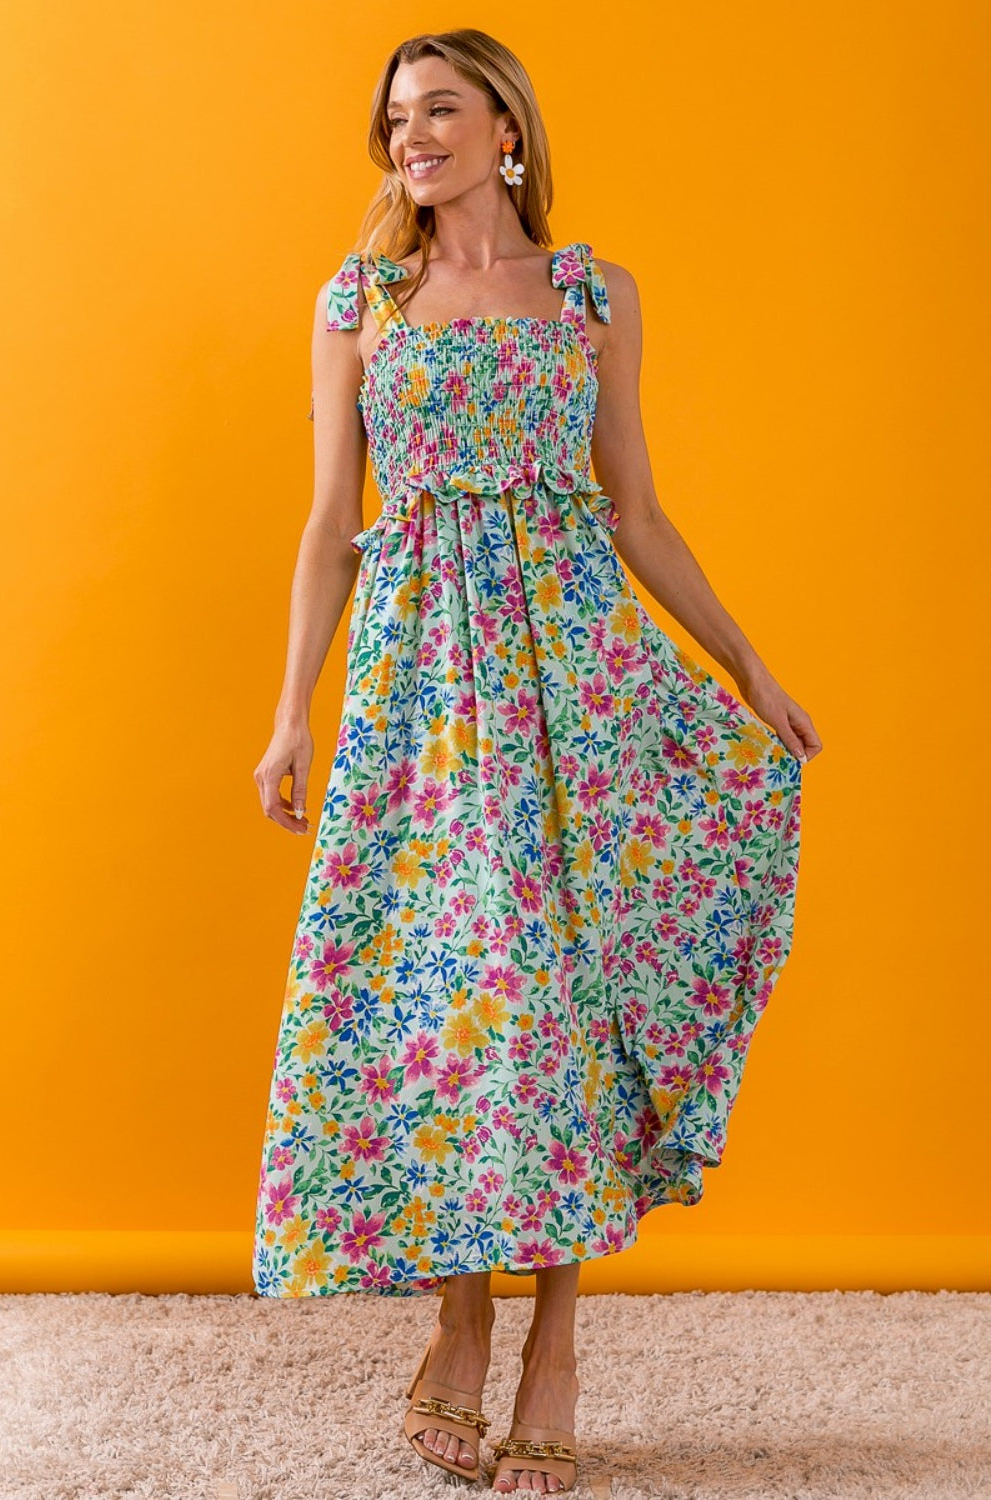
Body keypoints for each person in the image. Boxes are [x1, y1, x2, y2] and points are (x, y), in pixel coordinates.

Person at [251, 26, 821, 1496]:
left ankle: (552, 1336)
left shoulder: (591, 294)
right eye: (393, 120)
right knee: (455, 1000)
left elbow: (635, 510)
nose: (410, 140)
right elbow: (330, 522)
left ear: (507, 127)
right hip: (418, 688)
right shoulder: (361, 298)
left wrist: (743, 664)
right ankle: (458, 1315)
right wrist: (291, 711)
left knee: (562, 992)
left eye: (439, 110)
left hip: (576, 671)